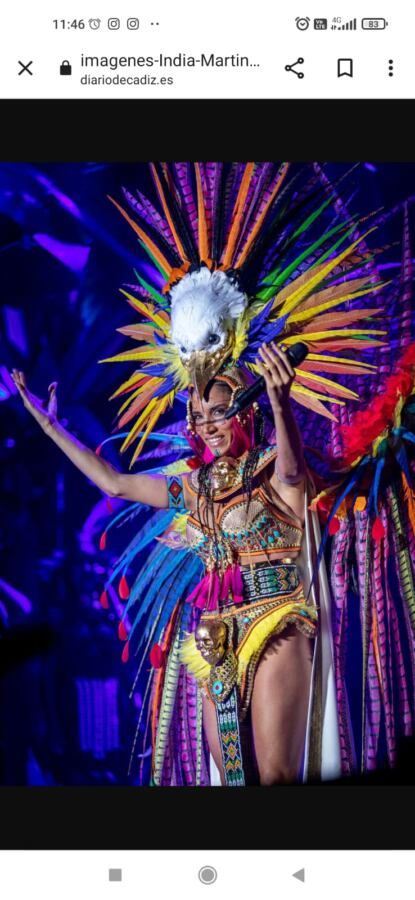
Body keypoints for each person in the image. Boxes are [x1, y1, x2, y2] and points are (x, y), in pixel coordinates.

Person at [10, 338, 319, 786]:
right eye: (198, 415)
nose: (208, 425)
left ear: (246, 409)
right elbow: (115, 484)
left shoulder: (276, 469)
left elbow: (294, 473)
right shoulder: (193, 487)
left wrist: (280, 400)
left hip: (275, 620)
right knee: (234, 778)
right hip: (216, 638)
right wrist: (52, 428)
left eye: (219, 410)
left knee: (275, 776)